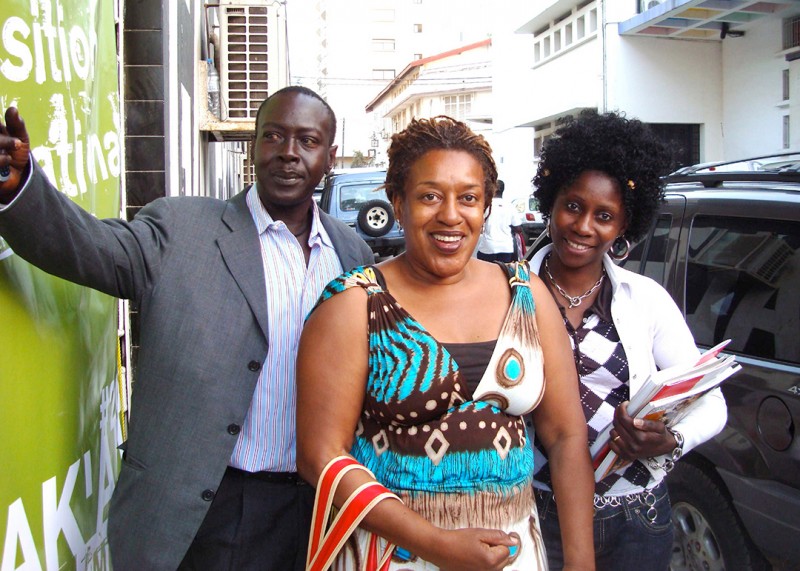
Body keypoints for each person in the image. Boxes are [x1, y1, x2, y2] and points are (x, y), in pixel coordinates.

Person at [0, 87, 375, 570]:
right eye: (274, 136)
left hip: (312, 512)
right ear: (253, 146)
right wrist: (19, 188)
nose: (288, 153)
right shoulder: (181, 228)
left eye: (307, 140)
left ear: (330, 156)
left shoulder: (353, 255)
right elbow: (90, 247)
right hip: (202, 511)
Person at [296, 116, 595, 570]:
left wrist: (579, 563)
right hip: (391, 556)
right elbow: (320, 458)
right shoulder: (356, 303)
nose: (451, 215)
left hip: (515, 554)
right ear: (397, 202)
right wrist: (435, 543)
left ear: (486, 207)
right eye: (430, 196)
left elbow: (566, 435)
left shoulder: (526, 294)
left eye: (469, 198)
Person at [527, 110, 728, 571]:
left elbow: (712, 403)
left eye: (604, 216)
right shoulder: (508, 295)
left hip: (637, 517)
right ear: (551, 202)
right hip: (536, 510)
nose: (583, 226)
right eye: (573, 206)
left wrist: (670, 439)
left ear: (623, 227)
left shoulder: (647, 300)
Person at [477, 179, 522, 262]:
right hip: (506, 248)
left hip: (488, 247)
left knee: (485, 273)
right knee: (502, 273)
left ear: (493, 189)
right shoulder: (510, 206)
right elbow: (518, 228)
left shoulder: (486, 205)